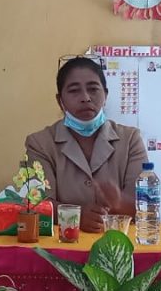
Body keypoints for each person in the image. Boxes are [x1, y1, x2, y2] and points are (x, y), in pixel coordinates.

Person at [25, 57, 148, 233]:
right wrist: (74, 216)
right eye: (74, 91)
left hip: (118, 246)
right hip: (63, 248)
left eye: (93, 89)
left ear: (105, 95)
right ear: (60, 100)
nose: (85, 98)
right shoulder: (40, 144)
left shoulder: (130, 140)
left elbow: (144, 207)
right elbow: (37, 205)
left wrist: (118, 201)